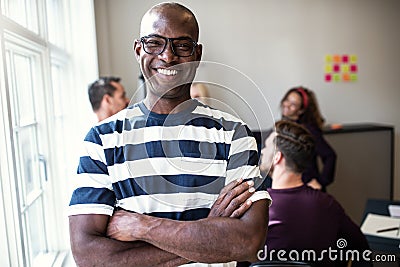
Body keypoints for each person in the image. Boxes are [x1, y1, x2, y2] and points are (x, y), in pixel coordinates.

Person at [68, 2, 271, 267]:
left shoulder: (233, 134)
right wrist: (209, 232)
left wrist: (141, 226)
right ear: (139, 49)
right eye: (155, 43)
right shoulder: (102, 139)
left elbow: (247, 242)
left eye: (182, 45)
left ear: (197, 54)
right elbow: (88, 255)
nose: (168, 56)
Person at [259, 120, 370, 266]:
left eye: (266, 147)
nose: (262, 151)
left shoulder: (257, 208)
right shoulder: (327, 204)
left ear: (277, 157)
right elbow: (362, 248)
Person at [280, 86, 336, 190]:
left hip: (307, 187)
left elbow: (330, 155)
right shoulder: (284, 126)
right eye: (287, 100)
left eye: (293, 104)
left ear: (300, 110)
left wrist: (321, 182)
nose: (287, 105)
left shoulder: (308, 130)